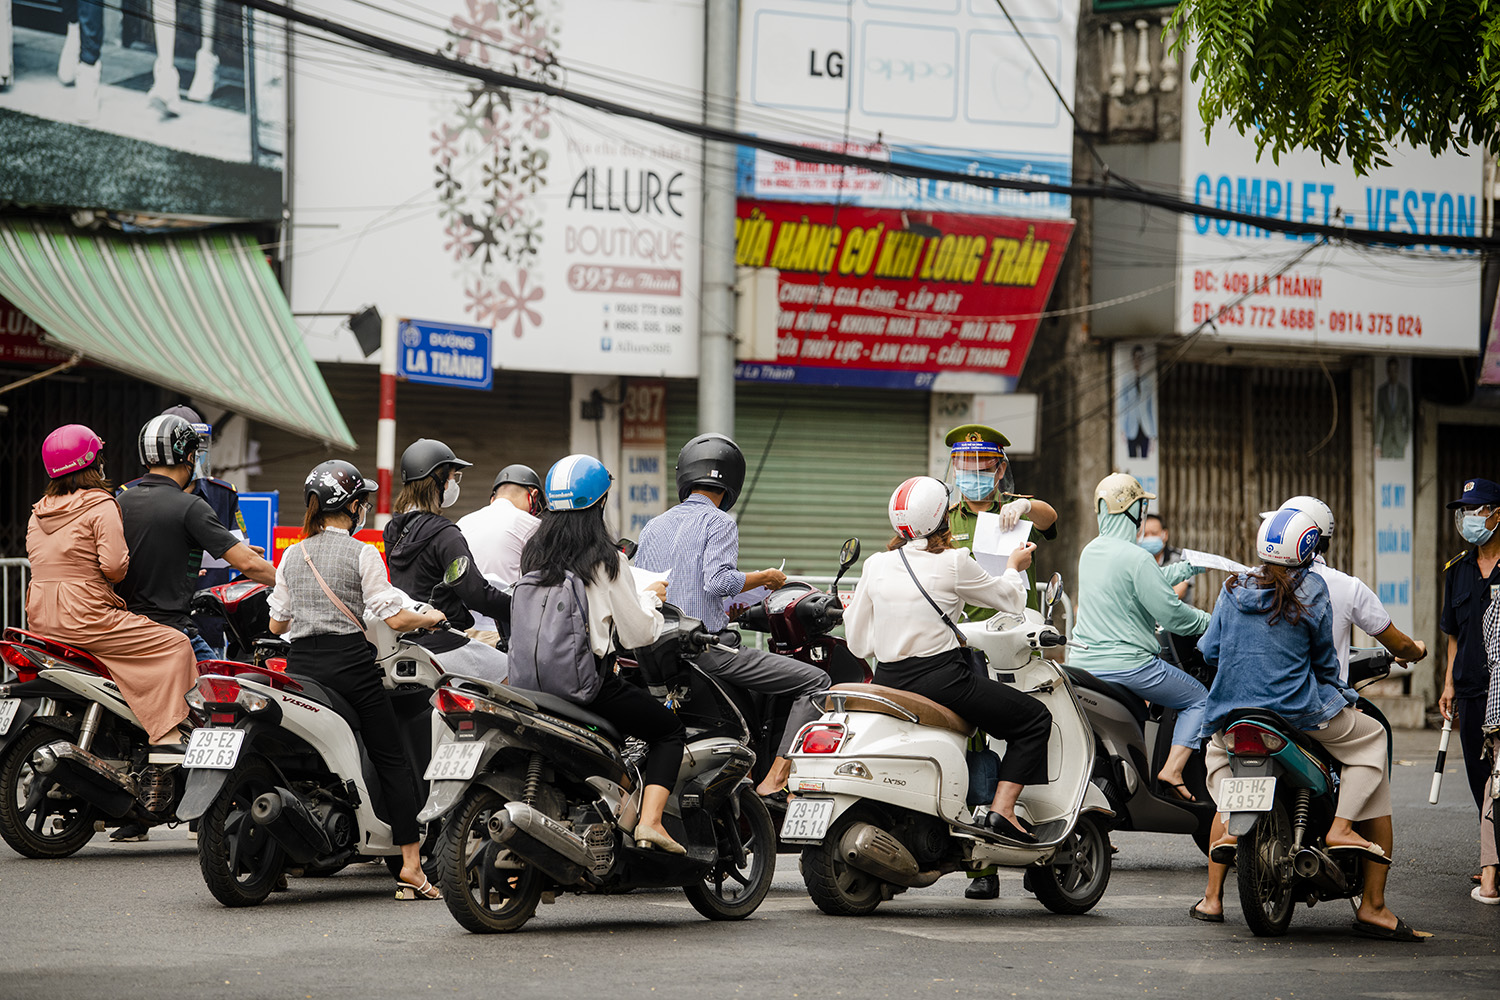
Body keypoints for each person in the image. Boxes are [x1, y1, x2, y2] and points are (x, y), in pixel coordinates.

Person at [1191, 505, 1428, 941]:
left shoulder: (1231, 587)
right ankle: (1341, 828)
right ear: (1310, 545)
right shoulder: (1314, 587)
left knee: (1217, 755)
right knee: (1372, 738)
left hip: (1235, 713)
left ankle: (1226, 832)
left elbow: (1209, 651)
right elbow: (1324, 663)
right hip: (1298, 713)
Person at [269, 460, 446, 899]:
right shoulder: (362, 552)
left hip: (301, 668)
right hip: (350, 665)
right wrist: (430, 616)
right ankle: (410, 866)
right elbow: (393, 616)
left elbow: (277, 624)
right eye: (362, 501)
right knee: (392, 760)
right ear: (351, 507)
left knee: (295, 758)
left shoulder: (293, 554)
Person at [843, 475, 1050, 845]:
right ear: (943, 518)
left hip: (887, 681)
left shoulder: (876, 564)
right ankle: (1002, 811)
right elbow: (1011, 600)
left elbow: (859, 644)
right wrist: (1014, 566)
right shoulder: (954, 562)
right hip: (942, 682)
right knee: (1035, 719)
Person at [633, 433, 829, 800]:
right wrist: (766, 578)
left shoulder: (653, 526)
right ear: (731, 481)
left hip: (659, 653)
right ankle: (775, 779)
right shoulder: (719, 522)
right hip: (706, 651)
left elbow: (650, 589)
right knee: (816, 681)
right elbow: (720, 581)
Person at [514, 454, 686, 854]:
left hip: (532, 688)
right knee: (667, 731)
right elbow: (638, 633)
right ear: (600, 503)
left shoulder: (532, 554)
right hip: (587, 686)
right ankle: (652, 823)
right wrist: (650, 601)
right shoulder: (606, 560)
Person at [26, 425, 199, 749]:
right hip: (86, 616)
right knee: (175, 645)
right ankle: (166, 734)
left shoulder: (39, 512)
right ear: (94, 462)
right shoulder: (99, 505)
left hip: (40, 620)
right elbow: (116, 568)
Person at [1070, 474, 1210, 801]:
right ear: (1132, 511)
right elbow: (1172, 614)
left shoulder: (1092, 551)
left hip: (1083, 664)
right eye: (1142, 507)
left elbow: (1141, 580)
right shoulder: (1137, 558)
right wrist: (1211, 621)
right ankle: (1172, 770)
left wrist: (1186, 569)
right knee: (1199, 698)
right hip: (1128, 666)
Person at [115, 414, 275, 665]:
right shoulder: (191, 506)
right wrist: (292, 584)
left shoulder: (122, 501)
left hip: (126, 629)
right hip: (171, 631)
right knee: (218, 689)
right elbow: (250, 564)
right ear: (190, 457)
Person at [384, 439, 511, 684]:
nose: (454, 484)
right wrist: (518, 608)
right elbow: (475, 593)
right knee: (516, 676)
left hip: (407, 644)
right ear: (438, 480)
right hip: (446, 642)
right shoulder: (445, 534)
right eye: (453, 477)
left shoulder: (393, 530)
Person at [1269, 496, 1428, 684]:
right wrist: (1416, 650)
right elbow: (1400, 644)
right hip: (1323, 705)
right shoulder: (1346, 586)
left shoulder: (1249, 583)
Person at [943, 424, 1057, 618]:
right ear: (954, 470)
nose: (974, 476)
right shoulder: (945, 520)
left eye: (982, 470)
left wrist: (1026, 506)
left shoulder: (1017, 510)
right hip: (968, 635)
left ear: (1001, 469)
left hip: (1020, 632)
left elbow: (1049, 518)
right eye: (966, 470)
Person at [1439, 478, 1500, 819]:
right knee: (1479, 775)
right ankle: (1491, 856)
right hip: (1470, 688)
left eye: (1475, 510)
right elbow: (1453, 634)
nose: (1468, 518)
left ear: (1497, 515)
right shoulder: (1456, 570)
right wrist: (1449, 684)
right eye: (1464, 511)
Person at [456, 464, 543, 648]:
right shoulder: (531, 524)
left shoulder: (464, 521)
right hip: (502, 633)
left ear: (493, 497)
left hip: (461, 631)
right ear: (533, 495)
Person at [1139, 513, 1194, 603]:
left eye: (1154, 533)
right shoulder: (1136, 561)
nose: (1149, 538)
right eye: (1144, 535)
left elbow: (1176, 594)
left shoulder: (1181, 559)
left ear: (1165, 534)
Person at [1119, 345, 1157, 459]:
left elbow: (1151, 408)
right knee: (1132, 457)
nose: (1138, 361)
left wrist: (1154, 434)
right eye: (1136, 357)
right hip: (1131, 427)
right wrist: (1122, 429)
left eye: (1141, 358)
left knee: (1145, 458)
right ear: (1132, 359)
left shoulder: (1147, 380)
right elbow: (1122, 405)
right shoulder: (1126, 380)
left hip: (1145, 427)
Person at [1374, 358, 1411, 460]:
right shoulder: (1382, 391)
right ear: (1387, 371)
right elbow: (1379, 417)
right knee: (1386, 467)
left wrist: (1406, 437)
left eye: (1395, 370)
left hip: (1400, 438)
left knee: (1399, 468)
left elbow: (1408, 416)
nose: (1392, 373)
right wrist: (1377, 442)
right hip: (1386, 438)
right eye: (1390, 370)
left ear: (1398, 371)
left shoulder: (1404, 391)